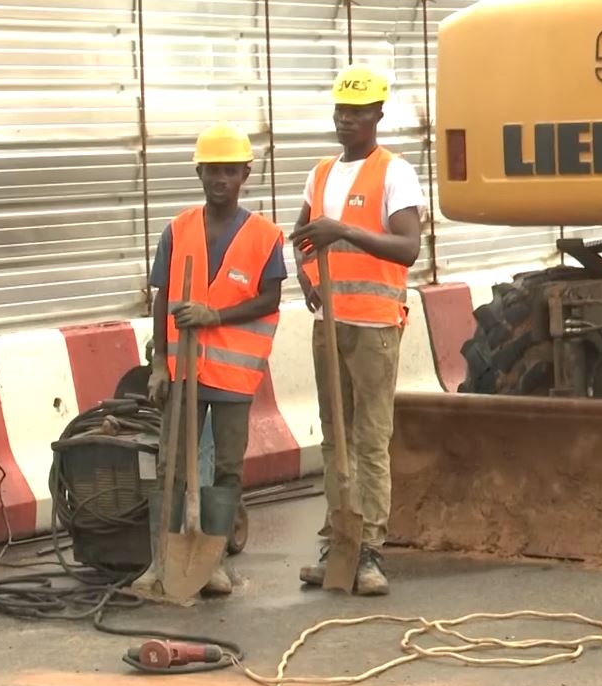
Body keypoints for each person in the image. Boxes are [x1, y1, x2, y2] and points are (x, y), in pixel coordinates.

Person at [132, 121, 287, 598]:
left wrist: (215, 313)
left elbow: (268, 298)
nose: (220, 179)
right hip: (182, 373)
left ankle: (213, 560)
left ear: (245, 174)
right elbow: (160, 299)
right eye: (212, 171)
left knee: (227, 467)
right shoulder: (177, 231)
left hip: (234, 377)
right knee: (172, 468)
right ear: (199, 174)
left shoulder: (265, 235)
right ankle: (165, 561)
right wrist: (159, 363)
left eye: (229, 171)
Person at [289, 64, 427, 596]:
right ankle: (338, 544)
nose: (346, 120)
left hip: (373, 326)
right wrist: (306, 276)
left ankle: (370, 551)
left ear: (378, 115)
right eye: (341, 111)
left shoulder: (395, 172)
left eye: (358, 112)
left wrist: (344, 230)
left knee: (369, 440)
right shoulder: (320, 173)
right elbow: (302, 235)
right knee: (335, 439)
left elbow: (408, 247)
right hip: (330, 324)